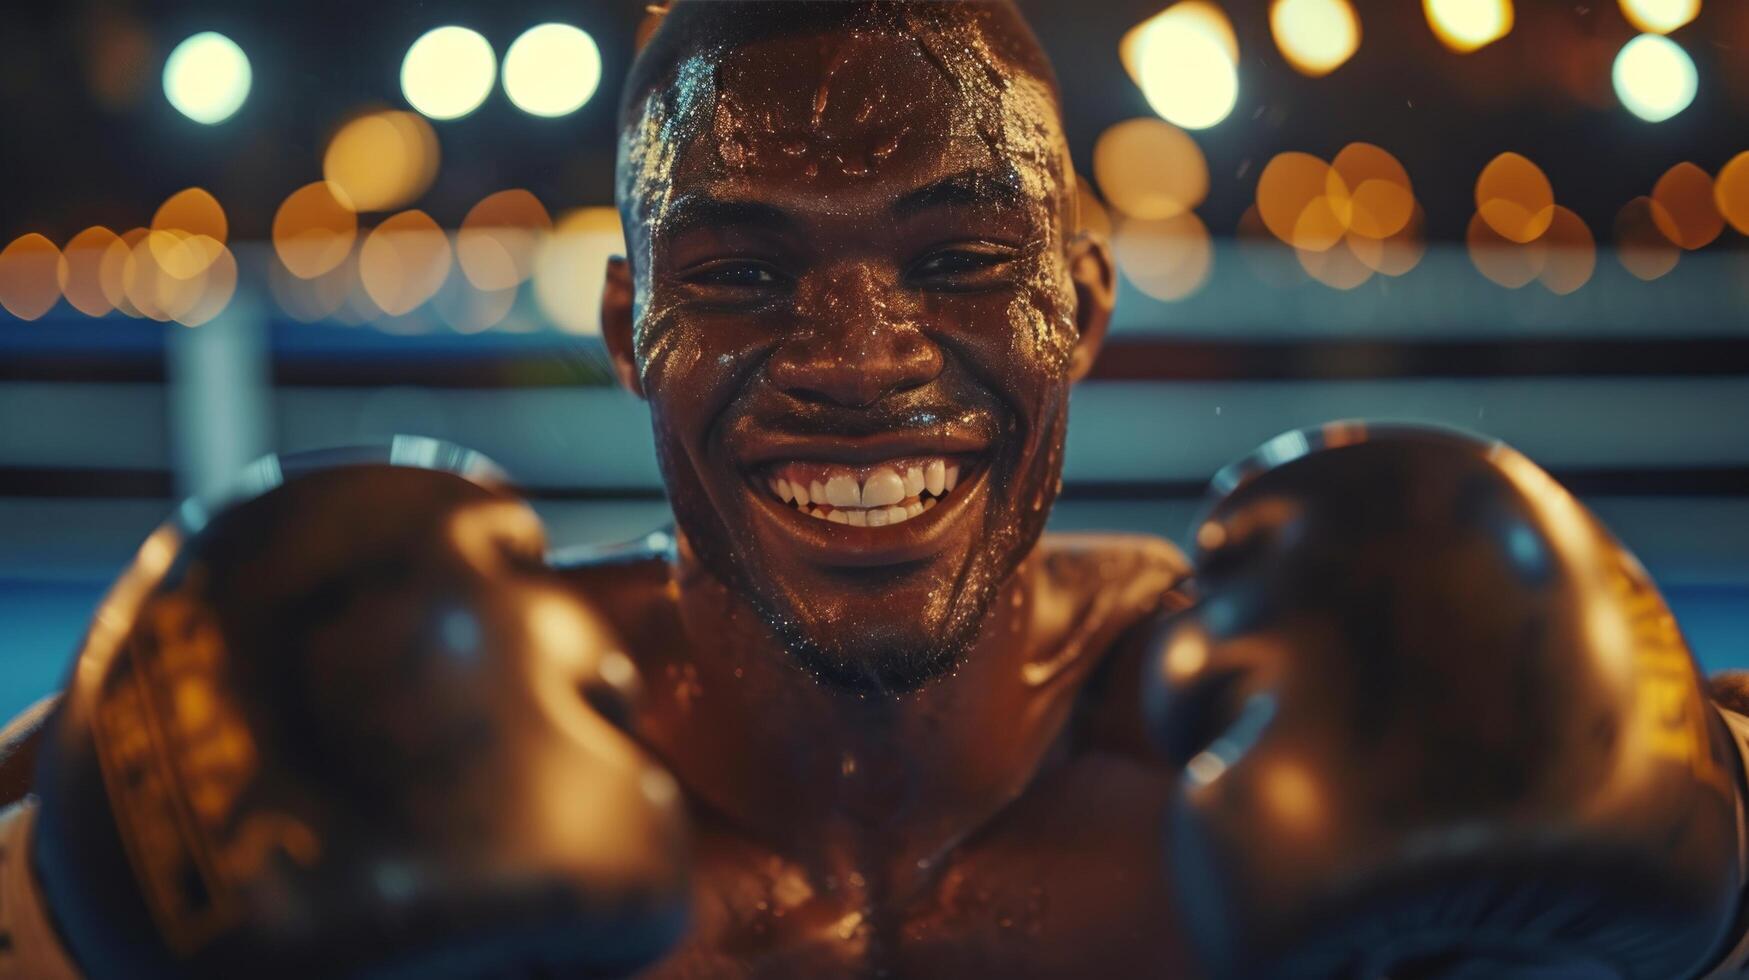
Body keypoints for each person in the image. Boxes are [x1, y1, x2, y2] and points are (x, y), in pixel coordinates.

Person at [2, 3, 1748, 978]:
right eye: (744, 272)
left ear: (1086, 298)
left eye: (964, 259)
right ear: (632, 322)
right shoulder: (363, 745)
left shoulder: (1344, 721)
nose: (856, 355)